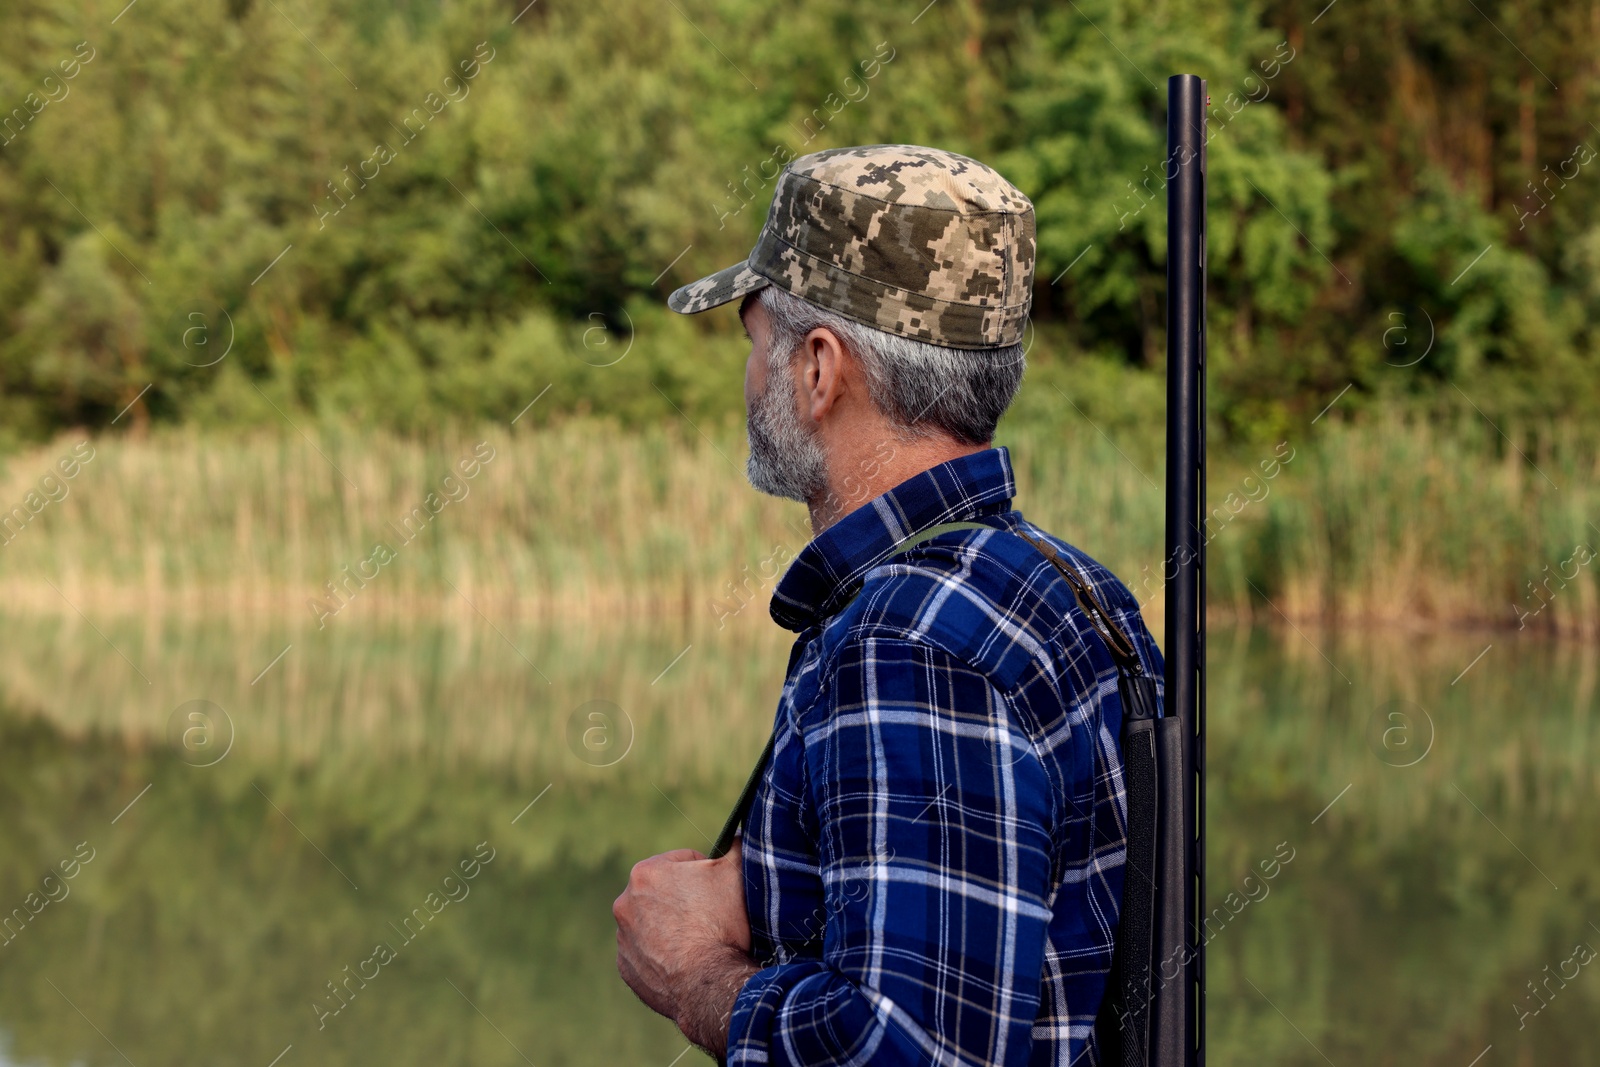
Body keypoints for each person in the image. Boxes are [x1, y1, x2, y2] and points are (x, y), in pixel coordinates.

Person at [613, 144, 1164, 1065]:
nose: (749, 379)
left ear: (819, 369)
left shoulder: (913, 638)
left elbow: (913, 1047)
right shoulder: (1067, 588)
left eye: (755, 343)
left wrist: (694, 972)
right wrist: (781, 883)